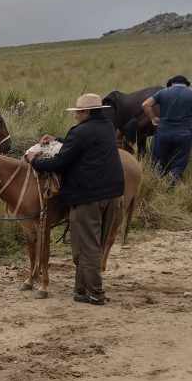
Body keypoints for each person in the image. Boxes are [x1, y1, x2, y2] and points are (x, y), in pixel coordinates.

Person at [28, 93, 124, 306]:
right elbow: (81, 145)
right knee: (94, 244)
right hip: (114, 195)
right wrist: (58, 140)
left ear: (88, 112)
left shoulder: (80, 132)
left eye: (79, 112)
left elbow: (60, 162)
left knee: (85, 248)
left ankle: (96, 294)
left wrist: (35, 162)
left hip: (88, 197)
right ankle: (80, 290)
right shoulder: (107, 125)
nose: (76, 116)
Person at [141, 74, 192, 185]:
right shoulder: (190, 92)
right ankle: (170, 191)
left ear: (172, 83)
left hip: (163, 133)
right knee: (178, 166)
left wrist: (153, 118)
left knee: (157, 164)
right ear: (186, 84)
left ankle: (156, 188)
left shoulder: (163, 92)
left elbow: (145, 104)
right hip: (183, 134)